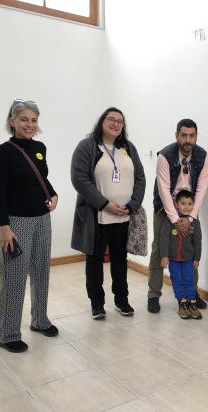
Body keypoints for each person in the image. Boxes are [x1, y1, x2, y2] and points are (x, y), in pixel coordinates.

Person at [0, 99, 59, 353]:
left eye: (34, 120)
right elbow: (0, 192)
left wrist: (53, 194)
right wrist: (4, 226)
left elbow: (41, 177)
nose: (30, 125)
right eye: (24, 119)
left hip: (43, 218)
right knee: (14, 278)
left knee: (41, 271)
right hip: (17, 222)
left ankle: (40, 320)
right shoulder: (3, 152)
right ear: (12, 121)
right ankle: (7, 334)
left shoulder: (40, 147)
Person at [71, 107, 145, 319]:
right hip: (98, 216)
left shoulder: (128, 147)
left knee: (120, 259)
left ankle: (122, 300)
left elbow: (140, 177)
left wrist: (132, 205)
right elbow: (79, 179)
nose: (115, 124)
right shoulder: (87, 146)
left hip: (124, 215)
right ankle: (97, 303)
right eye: (111, 119)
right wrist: (104, 204)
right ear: (101, 122)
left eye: (120, 121)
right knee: (94, 260)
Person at [147, 118, 208, 313]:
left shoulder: (203, 156)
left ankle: (192, 294)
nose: (188, 140)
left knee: (190, 249)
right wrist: (175, 220)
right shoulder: (164, 156)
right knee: (160, 247)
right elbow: (164, 190)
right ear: (177, 136)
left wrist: (190, 218)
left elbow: (201, 189)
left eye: (192, 136)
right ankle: (153, 294)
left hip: (190, 207)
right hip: (165, 206)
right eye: (184, 136)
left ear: (196, 137)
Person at [160, 190, 202, 320]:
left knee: (189, 280)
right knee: (177, 280)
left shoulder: (194, 222)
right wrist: (164, 256)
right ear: (176, 204)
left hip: (188, 259)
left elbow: (197, 241)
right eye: (183, 203)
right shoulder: (170, 220)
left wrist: (196, 258)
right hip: (173, 259)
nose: (186, 207)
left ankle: (192, 303)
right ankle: (182, 303)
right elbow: (164, 238)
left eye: (190, 204)